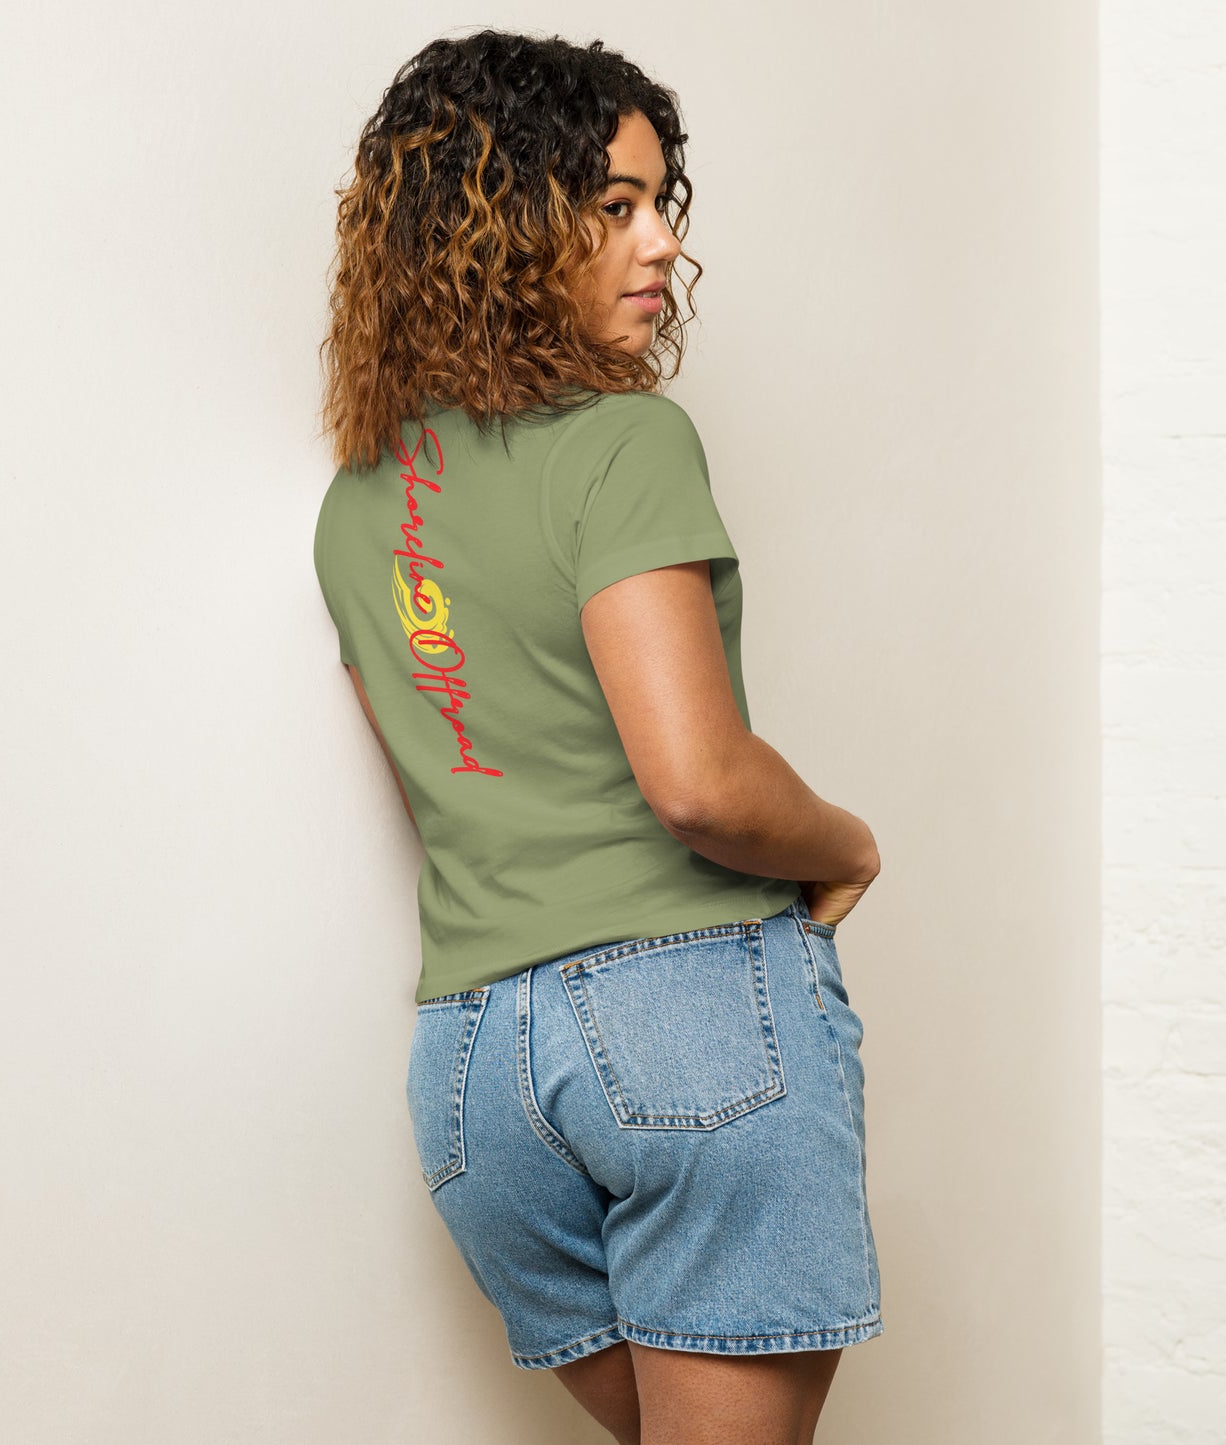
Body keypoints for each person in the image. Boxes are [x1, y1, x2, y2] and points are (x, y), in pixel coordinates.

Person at [312, 29, 884, 1445]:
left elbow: (443, 782)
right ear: (498, 225)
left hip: (476, 1071)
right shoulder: (621, 443)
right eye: (614, 203)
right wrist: (846, 839)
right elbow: (696, 780)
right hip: (685, 1029)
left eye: (660, 201)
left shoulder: (360, 504)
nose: (664, 243)